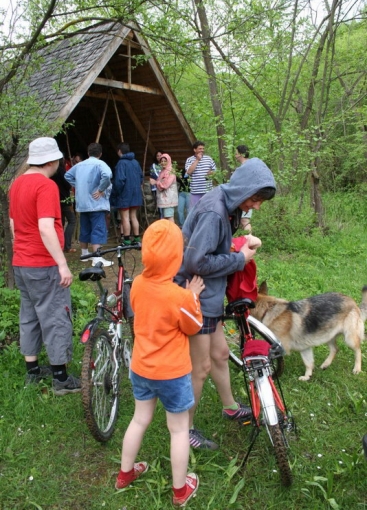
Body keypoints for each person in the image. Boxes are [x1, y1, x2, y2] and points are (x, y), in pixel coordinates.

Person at [175, 158, 276, 449]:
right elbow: (196, 261)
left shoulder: (226, 203)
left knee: (220, 354)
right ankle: (185, 430)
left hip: (210, 293)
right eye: (255, 198)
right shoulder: (214, 212)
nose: (256, 206)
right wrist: (240, 259)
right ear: (244, 188)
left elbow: (209, 245)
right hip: (196, 295)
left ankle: (230, 406)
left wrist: (239, 241)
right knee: (200, 367)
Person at [115, 220, 204, 507]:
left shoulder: (137, 284)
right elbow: (193, 327)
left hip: (141, 367)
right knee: (178, 430)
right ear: (176, 259)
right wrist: (193, 297)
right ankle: (181, 491)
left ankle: (125, 473)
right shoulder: (179, 297)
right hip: (172, 374)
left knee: (139, 420)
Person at [8, 137, 81, 395]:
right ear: (52, 161)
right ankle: (60, 379)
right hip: (43, 263)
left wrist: (22, 250)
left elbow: (14, 226)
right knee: (55, 316)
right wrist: (62, 264)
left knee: (29, 316)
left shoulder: (16, 184)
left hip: (22, 262)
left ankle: (33, 372)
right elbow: (45, 227)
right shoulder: (45, 186)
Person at [65, 142, 113, 267]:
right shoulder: (100, 164)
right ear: (100, 154)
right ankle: (97, 258)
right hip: (96, 202)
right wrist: (101, 189)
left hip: (82, 203)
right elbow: (107, 175)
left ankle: (84, 254)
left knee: (85, 228)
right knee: (97, 228)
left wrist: (78, 186)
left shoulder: (80, 165)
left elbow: (67, 175)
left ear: (88, 153)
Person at [112, 143, 143, 246]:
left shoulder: (121, 163)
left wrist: (116, 193)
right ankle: (137, 239)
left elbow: (119, 181)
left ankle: (126, 240)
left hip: (124, 195)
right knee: (133, 216)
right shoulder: (136, 162)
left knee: (125, 218)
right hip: (136, 194)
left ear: (119, 151)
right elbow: (141, 177)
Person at [51, 158, 77, 252]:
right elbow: (67, 185)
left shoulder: (50, 173)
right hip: (64, 199)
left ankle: (59, 246)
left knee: (60, 223)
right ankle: (67, 246)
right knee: (72, 221)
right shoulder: (61, 171)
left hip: (55, 200)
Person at [185, 141, 216, 209]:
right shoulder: (189, 160)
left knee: (207, 210)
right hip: (195, 191)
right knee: (194, 211)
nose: (202, 150)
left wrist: (211, 173)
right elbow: (189, 172)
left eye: (203, 148)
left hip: (208, 191)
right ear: (194, 150)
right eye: (200, 148)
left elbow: (215, 171)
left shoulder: (209, 159)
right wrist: (197, 160)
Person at [156, 153, 178, 223]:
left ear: (168, 161)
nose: (163, 163)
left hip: (169, 198)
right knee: (166, 218)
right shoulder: (162, 171)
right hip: (164, 199)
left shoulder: (171, 171)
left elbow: (165, 185)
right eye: (161, 161)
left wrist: (156, 183)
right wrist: (158, 183)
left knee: (169, 217)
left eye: (165, 161)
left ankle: (173, 233)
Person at [235, 145, 252, 232]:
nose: (235, 155)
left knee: (245, 220)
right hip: (245, 196)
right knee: (243, 221)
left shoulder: (246, 166)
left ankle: (250, 242)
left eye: (236, 153)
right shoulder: (249, 165)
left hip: (246, 196)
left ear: (241, 154)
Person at [149, 149, 164, 218]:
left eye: (160, 155)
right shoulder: (154, 165)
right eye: (157, 156)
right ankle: (161, 219)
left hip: (164, 187)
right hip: (156, 188)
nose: (159, 157)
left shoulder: (165, 165)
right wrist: (163, 180)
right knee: (159, 206)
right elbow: (155, 176)